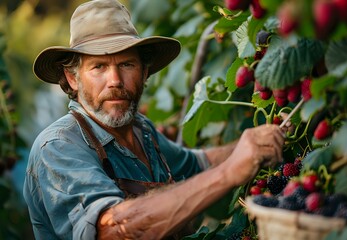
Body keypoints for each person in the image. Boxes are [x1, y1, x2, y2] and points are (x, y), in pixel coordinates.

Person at [23, 0, 285, 239]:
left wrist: (263, 141)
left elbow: (198, 163)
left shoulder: (141, 130)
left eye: (126, 64)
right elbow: (112, 229)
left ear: (144, 71)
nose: (115, 81)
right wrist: (229, 173)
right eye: (99, 67)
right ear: (72, 78)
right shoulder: (58, 146)